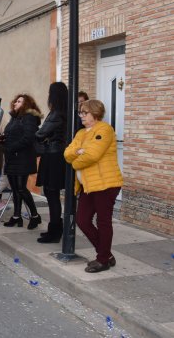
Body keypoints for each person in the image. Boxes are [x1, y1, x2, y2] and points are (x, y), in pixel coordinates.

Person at [65, 100, 122, 273]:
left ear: (95, 113)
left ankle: (103, 259)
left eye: (85, 113)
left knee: (103, 221)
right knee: (82, 220)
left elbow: (92, 155)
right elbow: (67, 153)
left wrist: (76, 162)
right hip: (88, 185)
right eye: (80, 113)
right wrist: (77, 152)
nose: (81, 116)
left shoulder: (104, 129)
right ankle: (107, 255)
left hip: (106, 184)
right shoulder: (81, 133)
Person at [0, 94, 43, 229]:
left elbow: (28, 138)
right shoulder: (15, 118)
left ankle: (35, 216)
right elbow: (13, 135)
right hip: (12, 157)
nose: (15, 103)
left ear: (27, 104)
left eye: (19, 101)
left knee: (21, 188)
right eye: (16, 101)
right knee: (15, 189)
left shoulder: (29, 117)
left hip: (23, 158)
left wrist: (11, 147)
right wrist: (3, 138)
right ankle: (16, 217)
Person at [35, 82, 68, 243]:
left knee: (51, 194)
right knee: (52, 194)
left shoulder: (56, 113)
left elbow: (41, 134)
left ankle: (55, 231)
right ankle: (55, 229)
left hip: (53, 156)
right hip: (58, 156)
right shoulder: (66, 112)